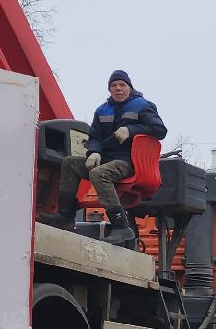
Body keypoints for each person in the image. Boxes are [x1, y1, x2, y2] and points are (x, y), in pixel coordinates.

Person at [52, 70, 167, 247]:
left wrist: (130, 130)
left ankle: (121, 226)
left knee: (99, 174)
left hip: (129, 162)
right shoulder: (102, 110)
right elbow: (95, 137)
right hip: (106, 159)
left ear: (129, 87)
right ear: (109, 89)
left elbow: (160, 130)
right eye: (114, 85)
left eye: (122, 85)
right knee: (70, 163)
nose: (118, 88)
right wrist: (94, 152)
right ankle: (65, 217)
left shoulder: (142, 106)